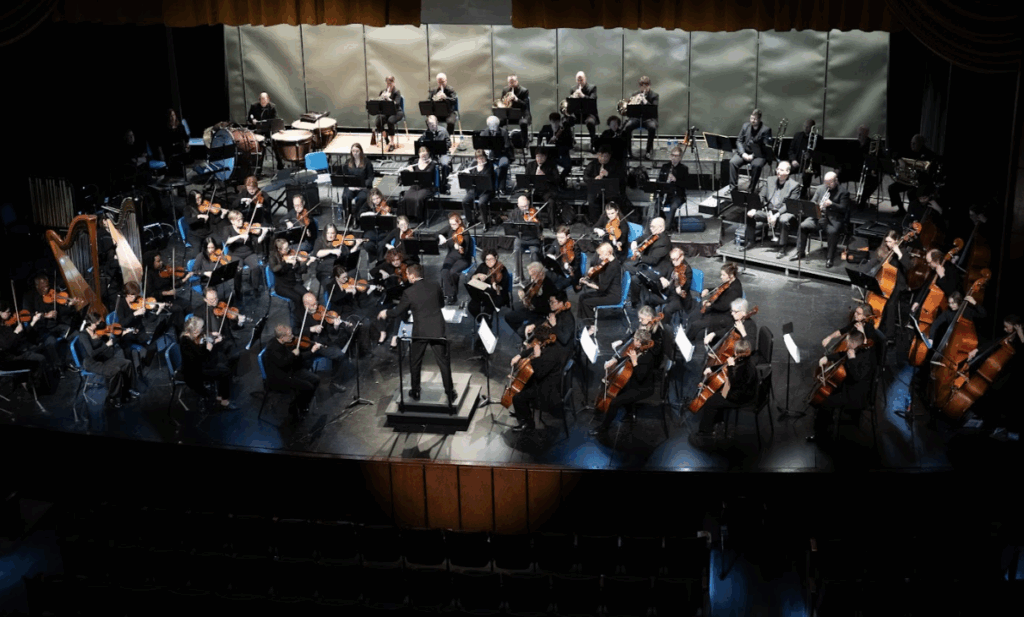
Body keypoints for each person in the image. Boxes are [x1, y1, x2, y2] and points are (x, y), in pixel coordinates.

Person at [377, 264, 455, 403]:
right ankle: (450, 392)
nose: (406, 277)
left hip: (420, 331)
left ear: (412, 276)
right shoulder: (435, 285)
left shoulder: (409, 292)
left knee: (415, 362)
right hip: (437, 329)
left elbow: (397, 311)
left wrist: (385, 313)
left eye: (407, 274)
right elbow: (441, 305)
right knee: (443, 362)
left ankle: (416, 391)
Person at [507, 293, 574, 432]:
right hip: (547, 372)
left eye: (553, 302)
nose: (550, 305)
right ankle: (523, 411)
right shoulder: (550, 341)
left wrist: (537, 357)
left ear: (562, 302)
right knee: (523, 383)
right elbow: (542, 332)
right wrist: (520, 355)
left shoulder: (552, 352)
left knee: (518, 396)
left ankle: (527, 423)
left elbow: (538, 373)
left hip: (547, 390)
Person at [807, 330, 876, 443]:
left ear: (853, 343)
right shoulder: (857, 349)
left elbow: (856, 377)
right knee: (827, 395)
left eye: (848, 342)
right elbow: (842, 354)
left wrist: (852, 359)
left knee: (825, 402)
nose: (846, 344)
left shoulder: (866, 358)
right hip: (848, 387)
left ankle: (821, 435)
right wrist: (827, 358)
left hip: (855, 395)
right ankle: (828, 423)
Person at [688, 338, 758, 447]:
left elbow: (735, 383)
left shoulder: (744, 368)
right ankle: (718, 421)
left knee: (711, 401)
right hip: (741, 392)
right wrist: (712, 369)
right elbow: (726, 365)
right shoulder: (743, 359)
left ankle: (705, 434)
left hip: (740, 398)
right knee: (717, 394)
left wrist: (731, 367)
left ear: (738, 352)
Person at [589, 329, 658, 435]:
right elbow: (626, 358)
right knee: (619, 390)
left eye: (635, 339)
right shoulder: (639, 349)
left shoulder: (648, 357)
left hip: (643, 388)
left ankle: (603, 428)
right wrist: (614, 360)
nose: (633, 340)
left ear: (639, 342)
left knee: (615, 402)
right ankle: (630, 413)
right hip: (634, 381)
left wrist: (634, 362)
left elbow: (640, 377)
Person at [80, 311, 139, 409]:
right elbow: (92, 354)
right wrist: (106, 345)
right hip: (92, 363)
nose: (99, 324)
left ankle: (129, 389)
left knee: (127, 363)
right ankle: (112, 398)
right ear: (90, 323)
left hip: (103, 358)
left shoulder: (99, 330)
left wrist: (123, 333)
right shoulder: (83, 335)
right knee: (115, 371)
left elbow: (112, 341)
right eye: (97, 323)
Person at [791, 171, 850, 268]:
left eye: (830, 183)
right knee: (802, 226)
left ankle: (830, 258)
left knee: (833, 232)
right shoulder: (820, 188)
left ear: (836, 181)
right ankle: (800, 252)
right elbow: (812, 202)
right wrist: (817, 206)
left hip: (833, 219)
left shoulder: (843, 192)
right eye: (826, 182)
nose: (828, 185)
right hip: (818, 217)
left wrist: (832, 204)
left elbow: (844, 208)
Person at [264, 323, 321, 418]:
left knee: (316, 379)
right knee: (308, 387)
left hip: (290, 370)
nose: (293, 336)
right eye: (290, 335)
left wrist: (311, 351)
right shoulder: (273, 348)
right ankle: (299, 407)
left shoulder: (283, 343)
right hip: (280, 378)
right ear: (282, 337)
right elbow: (283, 363)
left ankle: (304, 401)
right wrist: (293, 354)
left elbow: (297, 358)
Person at [178, 316, 235, 410]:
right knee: (225, 372)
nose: (203, 330)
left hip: (199, 366)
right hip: (194, 373)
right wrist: (208, 349)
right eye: (201, 328)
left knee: (223, 365)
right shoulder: (186, 343)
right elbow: (198, 359)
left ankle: (219, 397)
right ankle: (224, 402)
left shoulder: (189, 336)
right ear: (195, 330)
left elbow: (200, 350)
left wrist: (213, 338)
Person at [749, 160, 801, 256]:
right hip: (769, 211)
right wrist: (755, 208)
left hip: (784, 212)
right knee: (750, 213)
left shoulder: (794, 185)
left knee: (783, 220)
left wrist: (776, 215)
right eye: (778, 169)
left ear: (788, 172)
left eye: (781, 170)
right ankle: (750, 240)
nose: (778, 172)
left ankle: (782, 247)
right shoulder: (770, 180)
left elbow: (789, 205)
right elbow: (761, 196)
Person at [215, 209, 267, 298]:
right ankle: (238, 291)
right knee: (238, 270)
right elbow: (227, 241)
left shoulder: (247, 228)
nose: (241, 222)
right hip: (235, 255)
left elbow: (257, 241)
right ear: (232, 221)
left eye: (241, 219)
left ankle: (255, 288)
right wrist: (239, 236)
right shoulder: (227, 229)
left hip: (249, 253)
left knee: (256, 267)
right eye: (238, 220)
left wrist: (263, 234)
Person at [193, 287, 246, 371]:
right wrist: (211, 335)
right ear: (205, 300)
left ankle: (233, 373)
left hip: (225, 339)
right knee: (220, 363)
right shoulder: (199, 312)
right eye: (211, 300)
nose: (215, 301)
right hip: (211, 342)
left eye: (216, 298)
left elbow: (233, 327)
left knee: (235, 355)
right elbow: (198, 333)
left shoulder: (223, 306)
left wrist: (240, 322)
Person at [687, 263, 743, 340]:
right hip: (717, 310)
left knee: (696, 324)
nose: (721, 277)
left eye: (723, 275)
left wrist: (710, 304)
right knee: (693, 316)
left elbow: (724, 307)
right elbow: (719, 288)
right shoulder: (729, 282)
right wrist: (708, 290)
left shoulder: (734, 290)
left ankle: (688, 340)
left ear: (731, 275)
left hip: (724, 316)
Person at [625, 217, 672, 307]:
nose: (651, 229)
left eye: (653, 227)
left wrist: (640, 256)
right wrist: (635, 241)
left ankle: (630, 298)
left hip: (656, 270)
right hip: (647, 265)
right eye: (650, 226)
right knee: (634, 278)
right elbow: (643, 237)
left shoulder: (664, 242)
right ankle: (635, 302)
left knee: (626, 266)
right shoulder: (654, 234)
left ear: (661, 228)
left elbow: (653, 260)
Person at [888, 134, 937, 215]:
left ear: (921, 144)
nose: (912, 145)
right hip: (909, 180)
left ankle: (913, 213)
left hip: (920, 182)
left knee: (911, 192)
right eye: (911, 143)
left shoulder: (929, 154)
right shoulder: (909, 151)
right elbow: (894, 152)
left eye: (914, 143)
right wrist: (899, 159)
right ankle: (901, 209)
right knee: (892, 188)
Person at [505, 261, 557, 337]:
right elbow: (527, 289)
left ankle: (527, 337)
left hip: (540, 314)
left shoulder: (549, 286)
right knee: (508, 317)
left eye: (533, 275)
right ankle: (525, 335)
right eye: (530, 275)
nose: (531, 278)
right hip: (530, 308)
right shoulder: (536, 280)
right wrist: (522, 291)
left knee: (521, 331)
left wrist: (530, 301)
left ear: (540, 273)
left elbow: (545, 307)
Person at [578, 242, 622, 326]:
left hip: (612, 296)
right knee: (582, 297)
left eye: (601, 255)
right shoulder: (608, 263)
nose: (599, 257)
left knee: (587, 302)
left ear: (608, 253)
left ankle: (591, 326)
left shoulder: (612, 266)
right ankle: (582, 322)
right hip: (606, 292)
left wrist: (587, 283)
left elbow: (601, 287)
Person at [729, 109, 772, 192]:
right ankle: (733, 189)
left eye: (755, 119)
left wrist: (752, 156)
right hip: (745, 152)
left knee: (757, 165)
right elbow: (739, 141)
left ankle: (751, 190)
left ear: (759, 119)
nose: (752, 120)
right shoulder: (745, 126)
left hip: (758, 155)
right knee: (733, 162)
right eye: (751, 118)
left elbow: (765, 147)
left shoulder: (766, 130)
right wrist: (743, 154)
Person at [465, 249, 510, 325]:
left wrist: (496, 286)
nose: (489, 262)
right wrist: (478, 275)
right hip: (482, 293)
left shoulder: (502, 269)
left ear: (496, 257)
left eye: (491, 259)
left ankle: (486, 326)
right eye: (487, 260)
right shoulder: (482, 266)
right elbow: (471, 279)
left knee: (487, 312)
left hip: (496, 296)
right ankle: (480, 321)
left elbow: (504, 287)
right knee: (471, 307)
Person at [583, 146, 627, 223]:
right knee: (592, 202)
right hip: (595, 191)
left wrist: (609, 174)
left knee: (613, 202)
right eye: (600, 156)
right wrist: (593, 179)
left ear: (609, 156)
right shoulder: (593, 164)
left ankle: (612, 221)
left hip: (610, 192)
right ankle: (595, 222)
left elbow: (622, 178)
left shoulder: (615, 165)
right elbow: (585, 176)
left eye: (605, 156)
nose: (602, 158)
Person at [620, 76, 659, 159]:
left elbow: (654, 109)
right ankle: (629, 152)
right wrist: (634, 103)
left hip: (649, 119)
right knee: (627, 127)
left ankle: (648, 151)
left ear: (649, 85)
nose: (644, 88)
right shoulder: (635, 94)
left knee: (652, 128)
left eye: (646, 86)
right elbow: (630, 110)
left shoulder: (654, 95)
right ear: (639, 86)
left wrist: (645, 101)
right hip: (636, 118)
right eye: (642, 86)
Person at [438, 213, 472, 305]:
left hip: (463, 259)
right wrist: (441, 236)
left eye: (454, 224)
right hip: (451, 256)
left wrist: (460, 248)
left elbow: (466, 252)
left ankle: (453, 294)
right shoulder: (450, 228)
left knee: (453, 272)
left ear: (459, 222)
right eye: (451, 224)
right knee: (444, 271)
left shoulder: (465, 233)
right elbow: (436, 233)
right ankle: (450, 294)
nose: (452, 226)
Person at [508, 195, 544, 282]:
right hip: (521, 238)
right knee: (517, 250)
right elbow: (511, 227)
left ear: (528, 203)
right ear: (518, 205)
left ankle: (534, 277)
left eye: (526, 205)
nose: (525, 208)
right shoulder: (513, 213)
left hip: (533, 239)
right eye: (522, 206)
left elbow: (542, 227)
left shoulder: (535, 211)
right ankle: (519, 276)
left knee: (535, 253)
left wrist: (535, 223)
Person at [524, 146, 562, 226]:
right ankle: (528, 220)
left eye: (541, 157)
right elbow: (526, 179)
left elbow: (557, 179)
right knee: (525, 200)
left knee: (551, 202)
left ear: (545, 157)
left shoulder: (551, 166)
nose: (539, 159)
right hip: (534, 190)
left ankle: (552, 224)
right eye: (538, 156)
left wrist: (545, 176)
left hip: (546, 191)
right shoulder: (530, 165)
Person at [268, 238, 309, 308]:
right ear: (279, 250)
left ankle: (307, 312)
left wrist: (304, 264)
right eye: (286, 249)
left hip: (292, 283)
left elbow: (299, 271)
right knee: (297, 298)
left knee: (306, 295)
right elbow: (274, 269)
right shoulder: (273, 257)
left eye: (288, 247)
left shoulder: (291, 254)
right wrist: (285, 262)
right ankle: (297, 314)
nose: (288, 250)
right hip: (281, 286)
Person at [460, 149, 496, 228]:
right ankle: (469, 221)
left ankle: (485, 222)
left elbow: (485, 178)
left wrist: (481, 166)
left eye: (483, 158)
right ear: (476, 159)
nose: (481, 160)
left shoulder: (489, 165)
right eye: (479, 159)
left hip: (486, 190)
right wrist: (466, 173)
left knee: (481, 203)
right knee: (464, 201)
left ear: (485, 157)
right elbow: (470, 179)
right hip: (475, 189)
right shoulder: (474, 164)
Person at [401, 146, 438, 221]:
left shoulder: (432, 164)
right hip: (415, 186)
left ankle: (419, 217)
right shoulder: (415, 162)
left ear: (429, 154)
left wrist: (412, 172)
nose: (424, 157)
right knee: (406, 197)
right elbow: (412, 179)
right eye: (422, 156)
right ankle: (409, 216)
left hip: (427, 187)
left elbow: (424, 177)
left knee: (418, 198)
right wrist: (407, 171)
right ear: (419, 155)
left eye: (426, 155)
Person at [479, 115, 513, 193]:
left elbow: (507, 146)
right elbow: (480, 147)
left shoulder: (503, 132)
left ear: (498, 125)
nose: (493, 127)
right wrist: (486, 151)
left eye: (495, 125)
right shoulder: (484, 133)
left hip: (501, 155)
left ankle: (501, 187)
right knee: (481, 164)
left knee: (504, 164)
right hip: (489, 156)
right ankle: (488, 186)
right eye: (491, 125)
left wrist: (499, 147)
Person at [657, 146, 688, 229]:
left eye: (676, 156)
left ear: (680, 158)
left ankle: (667, 228)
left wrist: (675, 180)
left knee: (673, 206)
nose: (674, 158)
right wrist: (665, 178)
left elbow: (686, 184)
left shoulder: (684, 169)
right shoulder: (665, 166)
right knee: (656, 203)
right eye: (672, 155)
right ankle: (660, 221)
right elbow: (659, 180)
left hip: (678, 194)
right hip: (665, 193)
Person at [340, 143, 375, 217]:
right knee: (345, 197)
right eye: (353, 151)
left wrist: (362, 185)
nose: (355, 153)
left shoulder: (367, 162)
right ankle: (347, 216)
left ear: (361, 152)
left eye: (357, 151)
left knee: (362, 198)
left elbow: (370, 177)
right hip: (351, 187)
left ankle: (357, 216)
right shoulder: (348, 162)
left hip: (363, 187)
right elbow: (345, 176)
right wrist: (349, 185)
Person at [536, 113, 574, 180]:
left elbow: (570, 144)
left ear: (559, 121)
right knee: (544, 164)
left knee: (568, 166)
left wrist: (559, 145)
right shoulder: (546, 128)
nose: (554, 124)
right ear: (550, 121)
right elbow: (540, 136)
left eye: (556, 122)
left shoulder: (565, 130)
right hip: (549, 153)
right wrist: (539, 145)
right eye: (553, 122)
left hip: (562, 153)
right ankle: (549, 180)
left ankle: (560, 180)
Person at [544, 226, 582, 292]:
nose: (559, 240)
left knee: (557, 287)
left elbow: (577, 265)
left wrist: (569, 267)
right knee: (545, 280)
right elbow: (549, 251)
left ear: (568, 236)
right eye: (558, 237)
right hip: (558, 270)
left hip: (570, 273)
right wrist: (550, 256)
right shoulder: (556, 242)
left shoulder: (575, 246)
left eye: (562, 237)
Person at [565, 71, 598, 146]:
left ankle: (593, 142)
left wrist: (582, 95)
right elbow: (571, 105)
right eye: (578, 80)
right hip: (577, 114)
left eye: (581, 80)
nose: (579, 82)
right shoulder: (573, 89)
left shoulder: (592, 88)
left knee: (590, 122)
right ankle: (570, 140)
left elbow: (592, 101)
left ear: (585, 79)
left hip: (589, 114)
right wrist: (573, 98)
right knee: (566, 121)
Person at [374, 76, 405, 152]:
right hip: (386, 112)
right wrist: (382, 98)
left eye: (391, 83)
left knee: (390, 121)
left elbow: (397, 104)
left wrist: (389, 99)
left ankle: (392, 142)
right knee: (378, 121)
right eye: (388, 83)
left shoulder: (397, 92)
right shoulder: (383, 91)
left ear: (394, 83)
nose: (389, 85)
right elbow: (379, 103)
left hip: (396, 112)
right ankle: (385, 136)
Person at [499, 74, 532, 144]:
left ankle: (524, 142)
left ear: (516, 81)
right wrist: (506, 102)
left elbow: (525, 105)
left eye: (512, 82)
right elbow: (502, 102)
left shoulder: (524, 91)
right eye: (509, 82)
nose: (511, 84)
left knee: (523, 123)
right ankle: (502, 142)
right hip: (509, 114)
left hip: (522, 114)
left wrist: (516, 99)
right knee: (498, 122)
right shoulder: (505, 90)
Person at [787, 118, 817, 189]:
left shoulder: (817, 138)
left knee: (806, 176)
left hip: (809, 165)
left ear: (812, 128)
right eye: (804, 126)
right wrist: (793, 160)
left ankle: (803, 193)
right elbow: (791, 150)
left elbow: (820, 155)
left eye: (808, 127)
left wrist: (810, 156)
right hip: (797, 162)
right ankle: (785, 188)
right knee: (784, 169)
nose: (805, 128)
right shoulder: (797, 135)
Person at [159, 109, 190, 176]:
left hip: (180, 149)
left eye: (173, 115)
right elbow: (161, 143)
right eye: (170, 116)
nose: (172, 117)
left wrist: (187, 146)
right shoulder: (164, 129)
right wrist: (161, 154)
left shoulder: (180, 126)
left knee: (181, 168)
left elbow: (186, 138)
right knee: (172, 170)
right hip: (169, 151)